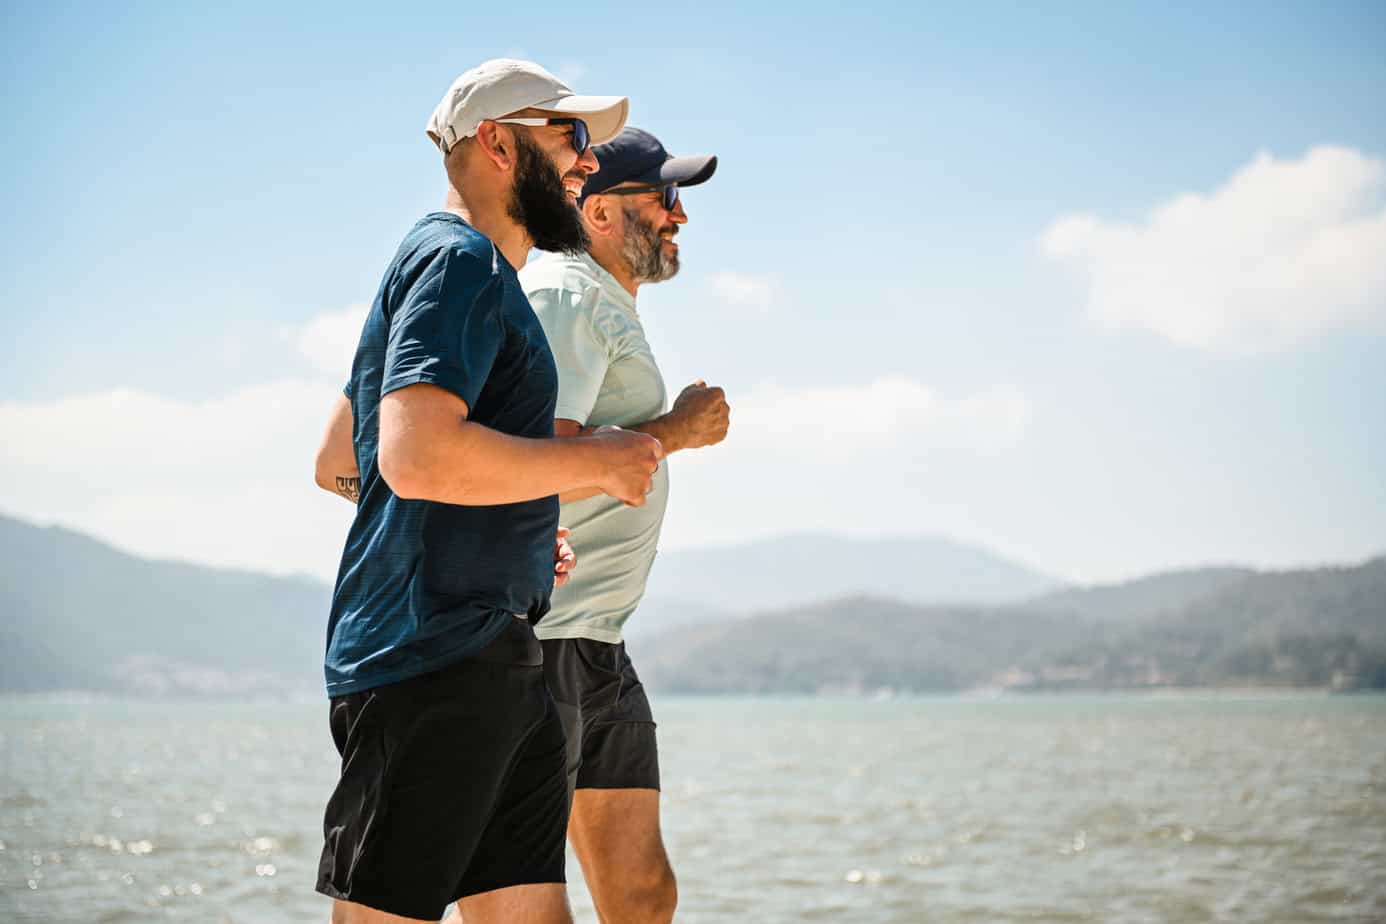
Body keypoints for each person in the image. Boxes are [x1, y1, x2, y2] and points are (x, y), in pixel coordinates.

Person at [309, 59, 664, 924]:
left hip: (500, 653)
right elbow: (417, 457)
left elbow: (343, 461)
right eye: (571, 137)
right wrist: (595, 462)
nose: (587, 162)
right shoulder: (455, 259)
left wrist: (508, 513)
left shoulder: (480, 275)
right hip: (430, 660)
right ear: (498, 143)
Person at [519, 127, 728, 923]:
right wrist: (675, 431)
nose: (680, 218)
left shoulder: (601, 303)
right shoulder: (569, 298)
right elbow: (539, 465)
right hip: (543, 642)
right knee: (529, 900)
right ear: (600, 212)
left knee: (642, 893)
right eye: (665, 198)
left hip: (599, 641)